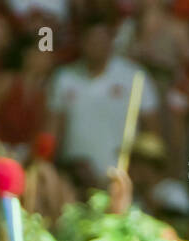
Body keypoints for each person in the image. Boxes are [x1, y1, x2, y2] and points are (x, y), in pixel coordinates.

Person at [46, 16, 158, 188]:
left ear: (111, 41)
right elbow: (53, 131)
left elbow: (152, 134)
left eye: (101, 39)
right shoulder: (64, 78)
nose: (96, 45)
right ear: (82, 42)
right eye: (91, 39)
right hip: (75, 180)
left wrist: (144, 177)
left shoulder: (135, 77)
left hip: (121, 181)